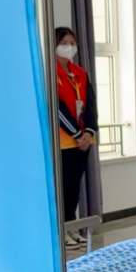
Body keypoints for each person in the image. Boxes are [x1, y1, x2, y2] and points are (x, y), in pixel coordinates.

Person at [54, 27, 97, 238]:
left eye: (72, 43)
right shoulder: (50, 72)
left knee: (73, 189)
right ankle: (61, 231)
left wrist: (88, 132)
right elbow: (56, 108)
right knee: (61, 188)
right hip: (63, 141)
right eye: (63, 43)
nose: (69, 47)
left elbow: (90, 105)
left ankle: (71, 228)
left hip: (83, 141)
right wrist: (77, 134)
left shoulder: (80, 73)